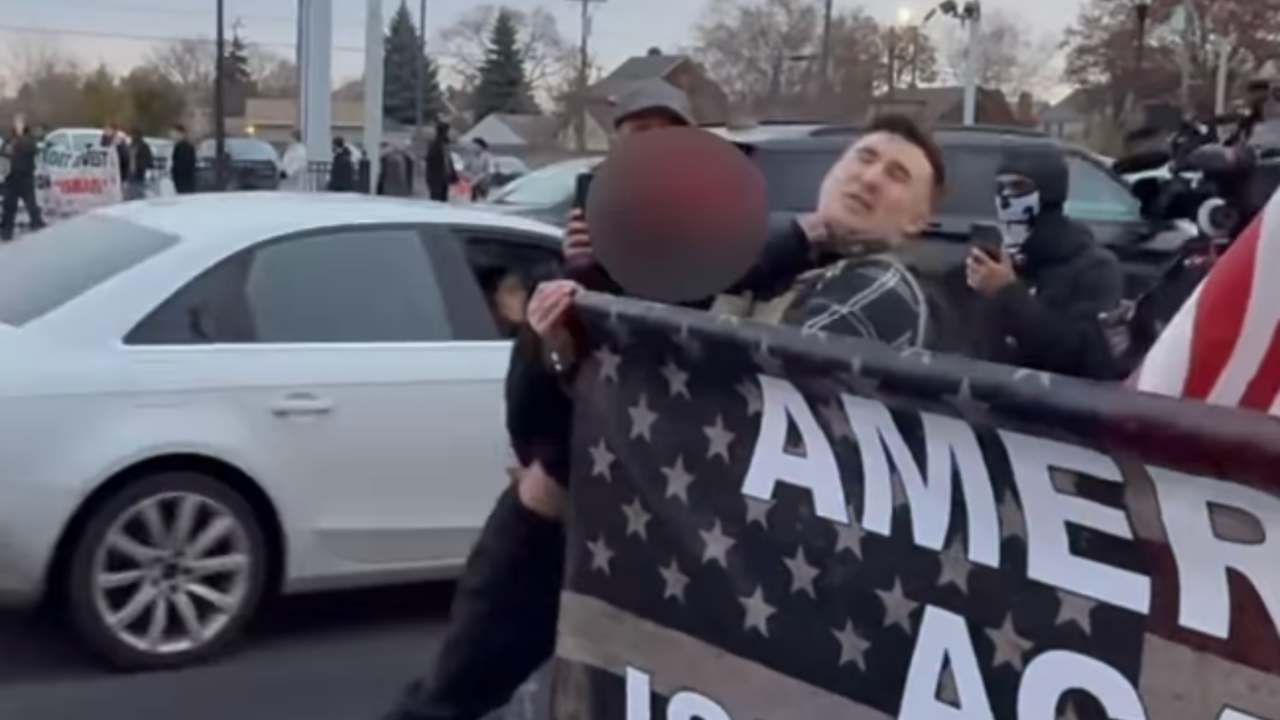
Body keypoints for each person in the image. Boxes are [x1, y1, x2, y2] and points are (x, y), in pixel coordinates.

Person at [964, 146, 1123, 379]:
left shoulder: (1094, 267)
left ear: (1048, 192)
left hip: (1055, 398)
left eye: (1018, 187)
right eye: (1001, 187)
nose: (1005, 197)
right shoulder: (1005, 259)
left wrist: (1009, 293)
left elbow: (1086, 355)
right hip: (997, 394)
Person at [0, 117, 44, 241]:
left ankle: (37, 226)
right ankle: (6, 233)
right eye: (16, 123)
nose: (18, 125)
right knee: (9, 207)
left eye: (20, 123)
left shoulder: (29, 140)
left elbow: (32, 150)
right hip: (11, 178)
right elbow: (3, 155)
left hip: (25, 178)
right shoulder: (9, 139)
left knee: (31, 205)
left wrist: (17, 143)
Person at [425, 122, 456, 202]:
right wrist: (452, 173)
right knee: (440, 199)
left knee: (435, 198)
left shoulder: (433, 144)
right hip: (441, 176)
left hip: (433, 176)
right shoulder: (443, 144)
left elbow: (428, 160)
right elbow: (447, 160)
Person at [126, 129, 153, 200]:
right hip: (132, 172)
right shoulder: (131, 146)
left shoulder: (142, 146)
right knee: (133, 190)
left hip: (138, 172)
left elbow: (147, 160)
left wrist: (141, 168)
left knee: (137, 191)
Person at [170, 124, 197, 194]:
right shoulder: (179, 146)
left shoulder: (184, 147)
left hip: (184, 180)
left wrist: (175, 171)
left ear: (181, 134)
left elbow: (184, 164)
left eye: (174, 134)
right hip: (183, 179)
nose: (172, 136)